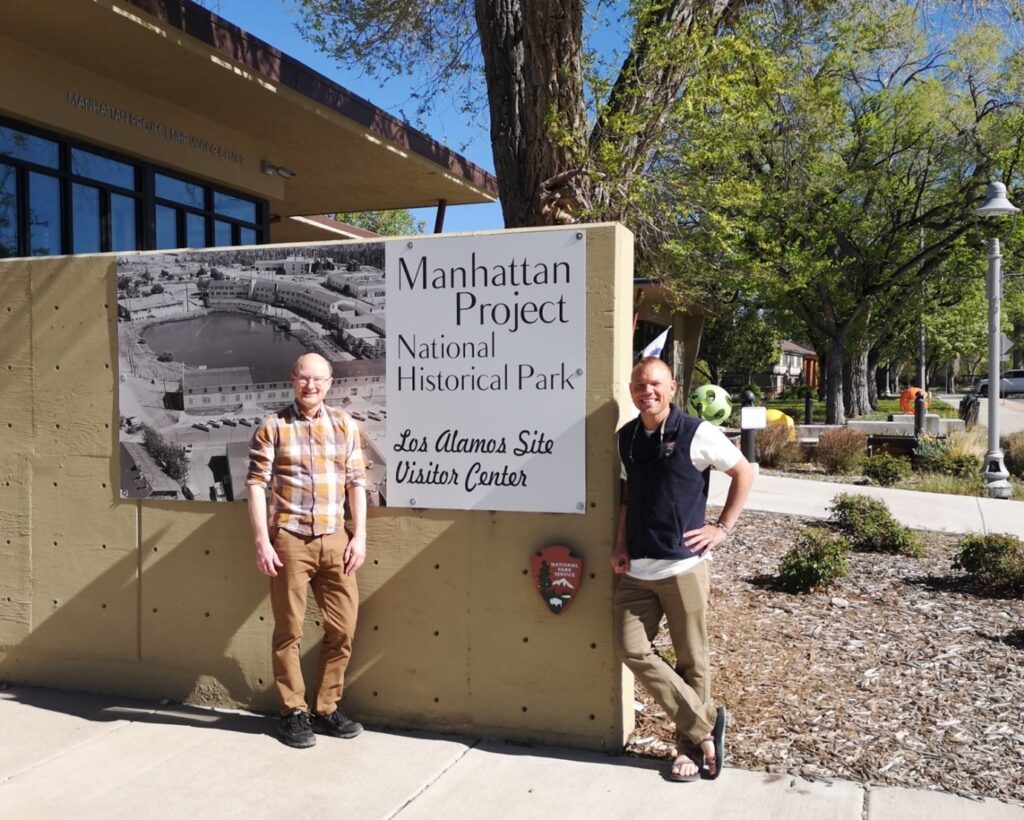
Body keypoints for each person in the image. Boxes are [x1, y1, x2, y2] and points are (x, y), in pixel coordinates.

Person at [613, 357, 754, 781]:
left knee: (693, 659)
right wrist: (620, 544)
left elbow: (744, 472)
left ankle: (690, 749)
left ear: (672, 388)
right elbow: (626, 496)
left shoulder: (697, 433)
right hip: (636, 568)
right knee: (630, 648)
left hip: (684, 566)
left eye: (655, 384)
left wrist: (721, 528)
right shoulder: (626, 438)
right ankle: (707, 725)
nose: (647, 392)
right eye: (640, 385)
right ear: (632, 389)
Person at [247, 352, 368, 748]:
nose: (310, 386)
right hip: (290, 540)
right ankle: (294, 712)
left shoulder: (345, 425)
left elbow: (355, 483)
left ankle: (328, 707)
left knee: (343, 628)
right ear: (292, 379)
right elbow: (255, 486)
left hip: (336, 538)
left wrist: (359, 536)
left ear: (330, 383)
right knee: (289, 631)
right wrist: (263, 541)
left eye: (318, 380)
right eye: (304, 378)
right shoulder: (273, 427)